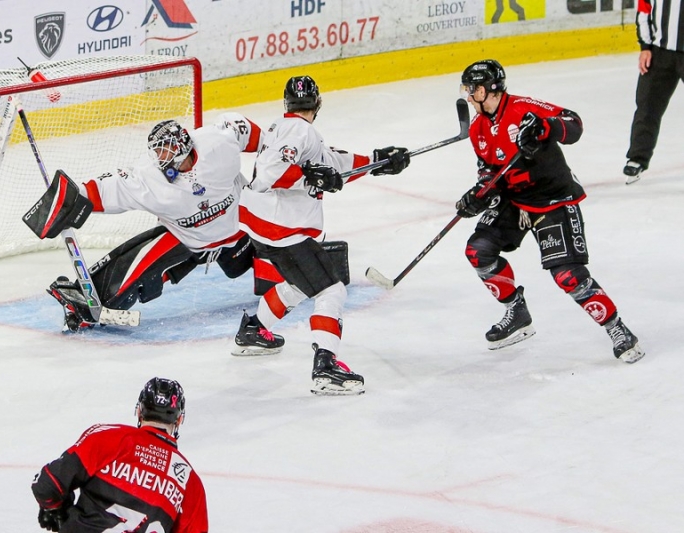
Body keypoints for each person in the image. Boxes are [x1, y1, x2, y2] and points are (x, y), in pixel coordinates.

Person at [455, 59, 645, 364]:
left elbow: (574, 124)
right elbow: (490, 172)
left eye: (471, 89)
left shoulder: (522, 109)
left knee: (568, 275)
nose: (467, 95)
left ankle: (617, 328)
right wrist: (480, 195)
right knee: (478, 251)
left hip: (553, 199)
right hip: (515, 201)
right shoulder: (478, 127)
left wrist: (545, 127)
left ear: (488, 90)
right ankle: (516, 311)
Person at [232, 75, 412, 395]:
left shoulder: (284, 129)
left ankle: (254, 330)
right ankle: (326, 365)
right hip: (283, 229)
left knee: (302, 284)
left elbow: (334, 164)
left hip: (260, 227)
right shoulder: (299, 130)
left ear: (287, 103)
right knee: (331, 291)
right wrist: (309, 177)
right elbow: (272, 174)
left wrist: (378, 161)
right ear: (318, 103)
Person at [23, 114, 264, 331]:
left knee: (280, 255)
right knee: (138, 260)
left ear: (182, 145)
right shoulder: (148, 176)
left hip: (242, 229)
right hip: (190, 238)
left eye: (166, 149)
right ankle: (92, 300)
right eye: (157, 152)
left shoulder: (216, 142)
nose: (161, 157)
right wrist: (74, 198)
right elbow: (109, 188)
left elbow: (252, 134)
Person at [31, 377, 208, 533]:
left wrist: (55, 510)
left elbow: (47, 486)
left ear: (139, 411)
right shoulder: (190, 483)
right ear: (179, 420)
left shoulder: (108, 437)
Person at [623, 0, 684, 184]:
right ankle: (637, 158)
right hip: (659, 54)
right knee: (647, 107)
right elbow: (644, 9)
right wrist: (645, 47)